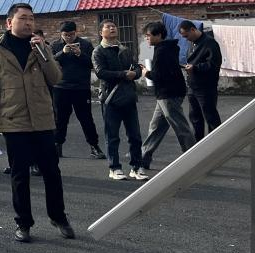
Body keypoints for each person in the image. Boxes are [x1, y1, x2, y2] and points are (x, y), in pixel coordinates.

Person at [0, 3, 74, 243]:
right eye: (23, 18)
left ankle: (58, 217)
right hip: (14, 121)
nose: (29, 22)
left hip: (42, 120)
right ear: (9, 22)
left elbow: (56, 78)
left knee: (52, 172)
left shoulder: (41, 47)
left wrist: (44, 54)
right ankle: (23, 223)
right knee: (20, 175)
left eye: (31, 18)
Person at [92, 21, 146, 181]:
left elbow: (137, 67)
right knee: (112, 136)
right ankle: (114, 168)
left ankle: (136, 167)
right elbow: (100, 72)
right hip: (110, 99)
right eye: (108, 27)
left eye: (114, 26)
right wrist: (123, 74)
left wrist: (136, 74)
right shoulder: (98, 51)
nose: (112, 28)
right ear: (101, 32)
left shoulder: (125, 50)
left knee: (135, 136)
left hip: (129, 97)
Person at [139, 21, 195, 170]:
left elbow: (160, 75)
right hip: (167, 93)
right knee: (156, 126)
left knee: (180, 126)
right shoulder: (168, 48)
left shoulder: (162, 51)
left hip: (169, 94)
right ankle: (144, 157)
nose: (147, 38)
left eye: (148, 35)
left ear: (158, 35)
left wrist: (146, 73)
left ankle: (194, 157)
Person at [50, 21, 101, 160]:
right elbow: (50, 63)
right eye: (66, 35)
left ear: (76, 32)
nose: (69, 38)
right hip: (61, 87)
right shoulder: (55, 45)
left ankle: (94, 146)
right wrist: (62, 53)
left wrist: (80, 54)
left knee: (86, 118)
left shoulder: (85, 45)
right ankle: (57, 145)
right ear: (61, 34)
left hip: (81, 87)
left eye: (71, 34)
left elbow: (93, 64)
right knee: (60, 119)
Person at [179, 21, 223, 143]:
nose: (186, 39)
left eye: (186, 35)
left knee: (210, 116)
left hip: (206, 87)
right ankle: (198, 144)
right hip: (192, 86)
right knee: (195, 117)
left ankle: (217, 143)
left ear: (193, 30)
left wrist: (195, 68)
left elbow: (214, 64)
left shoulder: (210, 43)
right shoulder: (192, 43)